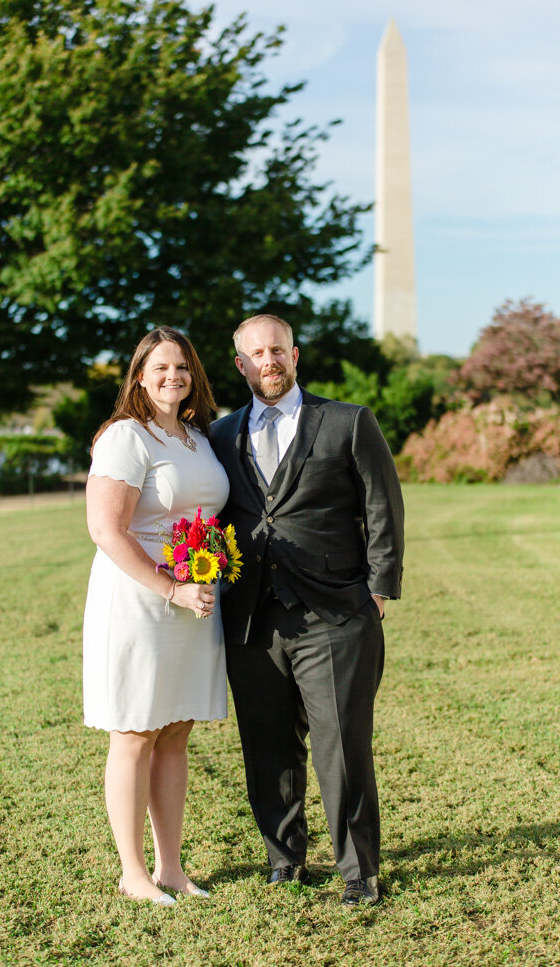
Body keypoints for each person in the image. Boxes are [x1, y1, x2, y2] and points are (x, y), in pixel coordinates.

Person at [210, 313, 404, 907]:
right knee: (266, 744)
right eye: (255, 355)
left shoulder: (347, 422)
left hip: (335, 614)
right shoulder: (219, 436)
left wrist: (377, 590)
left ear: (295, 356)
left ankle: (358, 872)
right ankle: (284, 858)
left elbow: (383, 506)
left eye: (277, 350)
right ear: (240, 365)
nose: (268, 361)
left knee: (340, 744)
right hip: (251, 617)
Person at [83, 326, 229, 906]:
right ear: (139, 376)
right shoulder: (126, 437)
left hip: (194, 601)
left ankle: (170, 867)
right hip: (141, 601)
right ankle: (133, 872)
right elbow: (105, 530)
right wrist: (170, 589)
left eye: (184, 367)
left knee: (175, 731)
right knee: (136, 731)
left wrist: (205, 573)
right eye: (161, 367)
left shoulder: (196, 437)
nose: (175, 376)